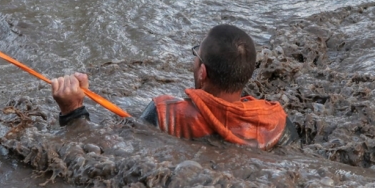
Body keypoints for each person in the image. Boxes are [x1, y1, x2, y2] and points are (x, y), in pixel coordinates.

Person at [51, 25, 290, 149]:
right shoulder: (277, 122)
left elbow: (105, 151)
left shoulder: (164, 114)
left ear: (202, 72)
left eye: (197, 55)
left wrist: (73, 112)